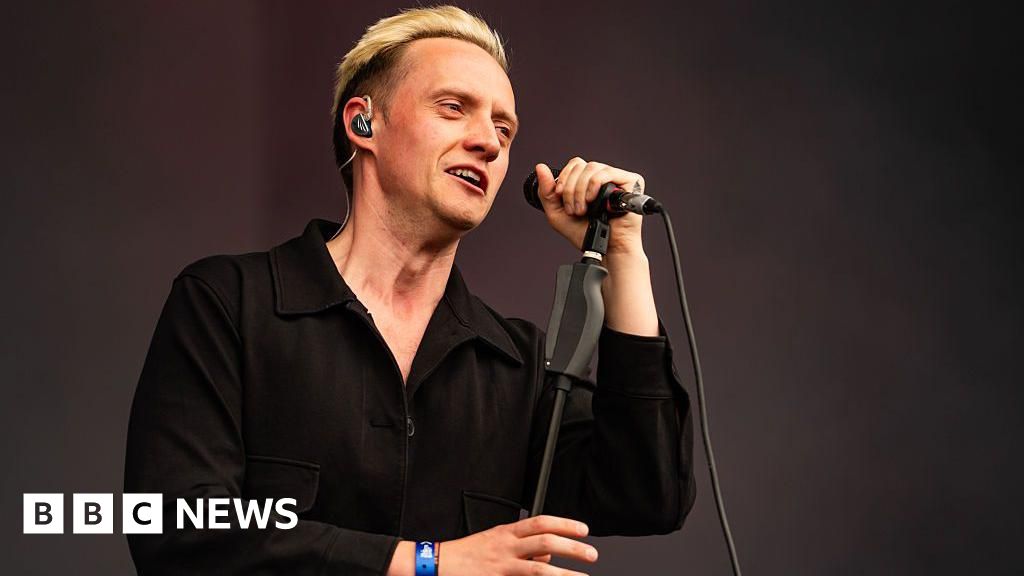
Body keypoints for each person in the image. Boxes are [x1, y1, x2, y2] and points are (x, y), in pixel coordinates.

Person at [125, 6, 695, 576]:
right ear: (363, 123)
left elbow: (646, 493)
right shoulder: (228, 304)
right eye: (453, 108)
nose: (489, 143)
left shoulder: (518, 367)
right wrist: (428, 563)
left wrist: (624, 256)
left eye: (504, 130)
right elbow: (174, 526)